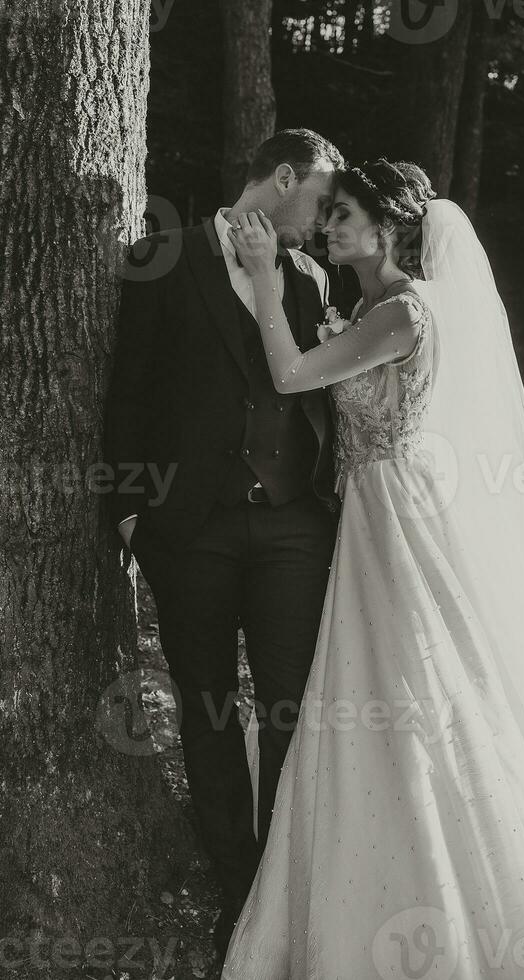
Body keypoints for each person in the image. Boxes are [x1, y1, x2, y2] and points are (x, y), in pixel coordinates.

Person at [220, 159, 524, 979]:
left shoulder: (407, 312)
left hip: (400, 519)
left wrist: (266, 286)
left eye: (345, 215)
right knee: (369, 686)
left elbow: (292, 374)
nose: (331, 226)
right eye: (332, 213)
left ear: (389, 230)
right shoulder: (366, 304)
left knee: (422, 685)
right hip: (368, 517)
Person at [103, 128, 344, 959]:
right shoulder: (159, 259)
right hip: (188, 530)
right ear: (283, 178)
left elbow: (318, 399)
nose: (319, 221)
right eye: (317, 199)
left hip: (290, 530)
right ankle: (236, 885)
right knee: (206, 707)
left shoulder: (310, 279)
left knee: (288, 708)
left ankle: (279, 882)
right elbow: (126, 390)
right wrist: (131, 513)